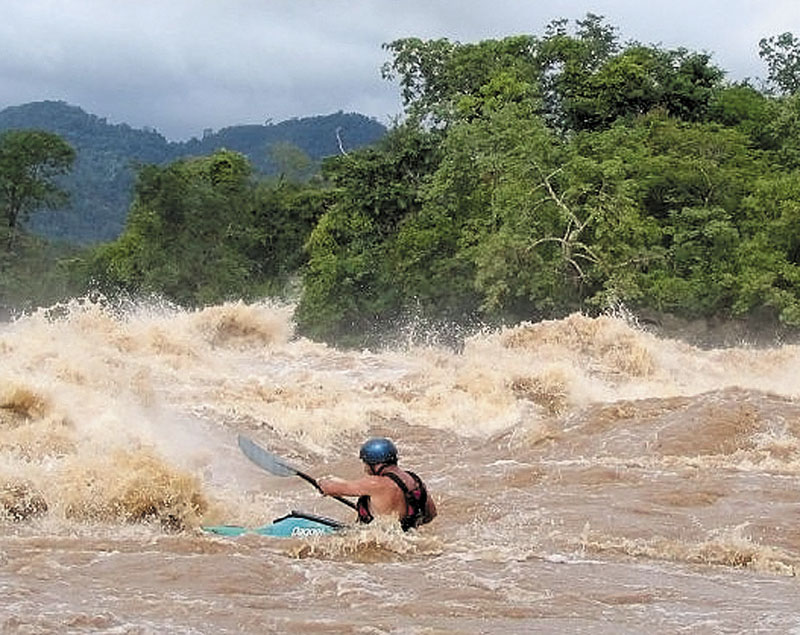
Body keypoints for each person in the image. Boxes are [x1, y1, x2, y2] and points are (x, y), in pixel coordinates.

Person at [318, 437, 437, 531]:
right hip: (403, 540)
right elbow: (431, 515)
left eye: (366, 463)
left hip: (379, 541)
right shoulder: (414, 480)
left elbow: (330, 488)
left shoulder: (375, 483)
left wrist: (321, 482)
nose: (365, 469)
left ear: (374, 464)